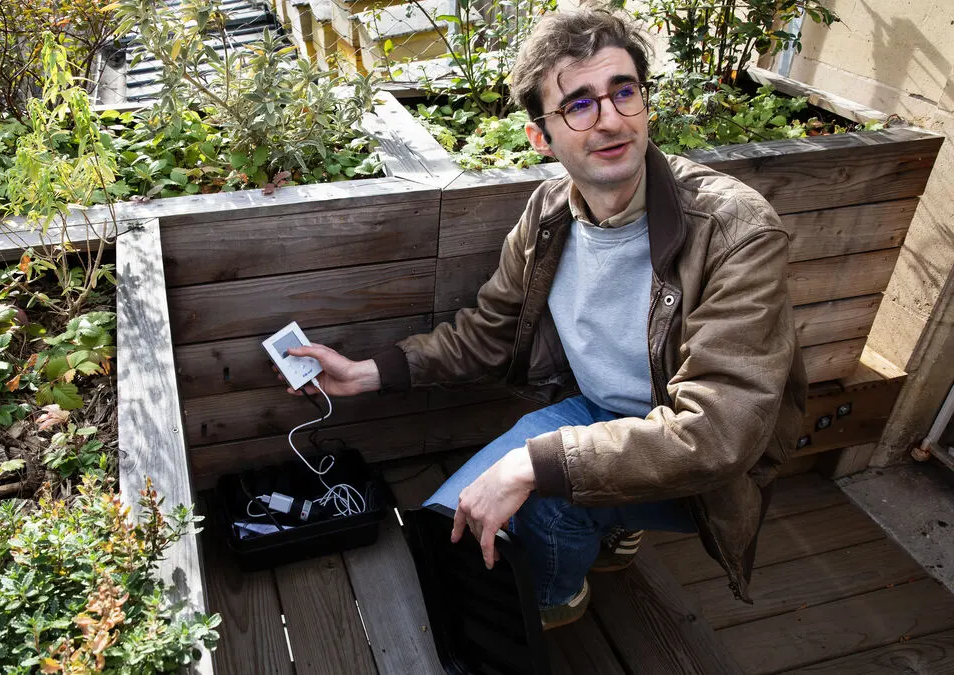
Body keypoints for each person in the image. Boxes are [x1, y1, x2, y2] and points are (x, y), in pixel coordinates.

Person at [281, 6, 806, 629]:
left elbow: (718, 436)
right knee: (447, 517)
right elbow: (491, 330)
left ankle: (556, 601)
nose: (609, 118)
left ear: (645, 104)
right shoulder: (551, 212)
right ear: (541, 137)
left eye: (623, 92)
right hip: (601, 413)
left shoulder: (735, 231)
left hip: (701, 460)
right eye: (578, 104)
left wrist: (533, 465)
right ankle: (609, 528)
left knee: (543, 506)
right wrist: (367, 373)